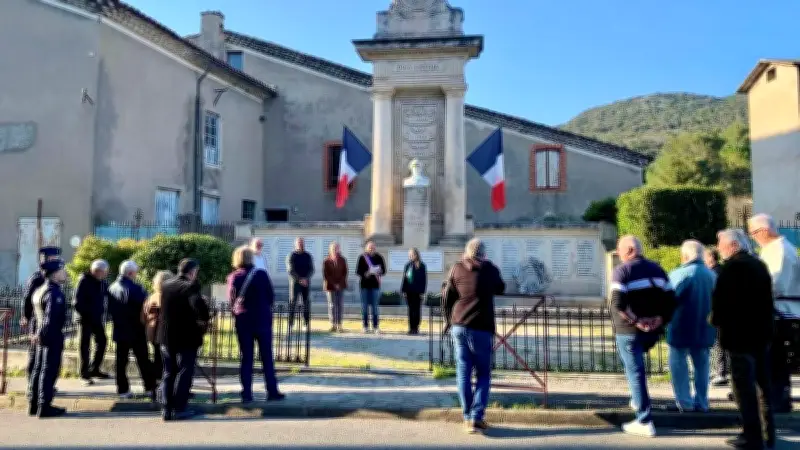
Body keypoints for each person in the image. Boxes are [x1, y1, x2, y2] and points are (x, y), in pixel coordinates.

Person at [712, 228, 776, 450]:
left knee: (744, 388)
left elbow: (721, 303)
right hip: (762, 334)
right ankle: (768, 434)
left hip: (739, 335)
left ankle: (752, 436)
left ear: (734, 245)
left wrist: (716, 320)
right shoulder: (759, 265)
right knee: (762, 387)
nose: (718, 248)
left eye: (721, 243)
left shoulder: (733, 268)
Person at [610, 235, 676, 438]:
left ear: (629, 250)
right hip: (652, 331)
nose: (618, 254)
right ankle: (637, 400)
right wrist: (660, 319)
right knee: (637, 370)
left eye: (619, 250)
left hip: (628, 330)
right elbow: (672, 299)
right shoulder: (657, 270)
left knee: (635, 372)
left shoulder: (623, 271)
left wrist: (636, 320)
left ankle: (644, 419)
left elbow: (618, 303)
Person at [442, 238, 505, 434]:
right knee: (484, 374)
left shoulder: (457, 268)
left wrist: (447, 321)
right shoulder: (490, 269)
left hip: (459, 326)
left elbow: (447, 297)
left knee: (463, 373)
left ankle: (468, 416)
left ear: (466, 253)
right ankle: (476, 417)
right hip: (481, 328)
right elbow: (501, 288)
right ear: (484, 254)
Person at [749, 213, 800, 413]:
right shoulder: (777, 249)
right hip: (781, 312)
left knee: (775, 360)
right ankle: (777, 398)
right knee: (777, 362)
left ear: (764, 231)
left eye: (754, 233)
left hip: (781, 313)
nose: (753, 237)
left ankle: (777, 400)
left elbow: (775, 284)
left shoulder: (779, 251)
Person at [227, 246, 285, 403]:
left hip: (244, 321)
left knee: (246, 358)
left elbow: (232, 300)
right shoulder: (261, 274)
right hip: (262, 319)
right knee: (267, 357)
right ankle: (272, 391)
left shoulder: (233, 277)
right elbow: (271, 296)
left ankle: (246, 393)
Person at [666, 240, 716, 413]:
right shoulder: (712, 275)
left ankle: (684, 402)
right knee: (702, 366)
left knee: (678, 364)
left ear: (685, 255)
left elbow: (669, 299)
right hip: (706, 327)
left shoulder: (680, 274)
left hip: (681, 327)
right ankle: (701, 402)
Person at [157, 259, 207, 421]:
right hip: (186, 336)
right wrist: (204, 317)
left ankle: (166, 407)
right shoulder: (190, 287)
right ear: (192, 272)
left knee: (168, 371)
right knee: (185, 370)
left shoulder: (166, 285)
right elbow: (198, 306)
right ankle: (179, 407)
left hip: (166, 336)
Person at [108, 260, 156, 400]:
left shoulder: (112, 287)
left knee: (121, 362)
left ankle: (122, 389)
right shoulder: (135, 288)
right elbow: (145, 305)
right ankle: (149, 387)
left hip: (119, 329)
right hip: (136, 329)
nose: (136, 274)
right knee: (143, 360)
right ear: (130, 273)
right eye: (135, 272)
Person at [28, 258, 68, 418]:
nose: (64, 273)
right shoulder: (53, 292)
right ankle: (44, 406)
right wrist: (43, 335)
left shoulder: (40, 290)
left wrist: (34, 334)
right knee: (48, 370)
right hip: (50, 336)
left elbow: (34, 316)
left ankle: (34, 404)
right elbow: (50, 318)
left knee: (38, 370)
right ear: (55, 274)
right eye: (62, 271)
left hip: (39, 335)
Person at [21, 246, 62, 386]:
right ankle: (33, 385)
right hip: (37, 319)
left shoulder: (53, 276)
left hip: (47, 320)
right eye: (51, 258)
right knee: (36, 356)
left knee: (46, 359)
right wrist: (25, 316)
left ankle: (43, 385)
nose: (54, 260)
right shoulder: (37, 278)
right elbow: (28, 298)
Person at [73, 259, 110, 386]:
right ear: (97, 271)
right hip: (85, 318)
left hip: (96, 318)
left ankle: (95, 369)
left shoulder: (101, 282)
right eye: (104, 272)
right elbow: (77, 302)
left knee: (102, 341)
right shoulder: (84, 280)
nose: (106, 274)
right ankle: (84, 373)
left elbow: (107, 295)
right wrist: (88, 314)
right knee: (85, 345)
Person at [142, 271, 173, 383]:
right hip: (165, 332)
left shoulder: (151, 297)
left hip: (152, 331)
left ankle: (157, 381)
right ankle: (163, 382)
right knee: (166, 359)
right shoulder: (169, 297)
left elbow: (143, 316)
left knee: (157, 356)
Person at [705, 247, 730, 387]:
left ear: (710, 258)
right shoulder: (720, 271)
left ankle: (720, 373)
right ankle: (718, 371)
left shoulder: (715, 272)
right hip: (719, 311)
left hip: (718, 311)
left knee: (718, 343)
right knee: (717, 343)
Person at [356, 241, 386, 334]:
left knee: (375, 307)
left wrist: (379, 271)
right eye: (369, 247)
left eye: (373, 247)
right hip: (364, 285)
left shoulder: (379, 257)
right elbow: (358, 271)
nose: (371, 249)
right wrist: (366, 273)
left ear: (375, 248)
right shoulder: (362, 257)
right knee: (364, 307)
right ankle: (365, 326)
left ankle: (376, 326)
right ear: (366, 248)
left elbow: (384, 270)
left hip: (375, 286)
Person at [286, 237, 314, 330]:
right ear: (295, 244)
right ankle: (291, 324)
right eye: (299, 243)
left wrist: (306, 279)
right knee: (293, 303)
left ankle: (306, 323)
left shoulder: (308, 255)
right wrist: (300, 280)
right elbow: (290, 270)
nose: (300, 244)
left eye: (302, 243)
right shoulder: (291, 255)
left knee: (306, 303)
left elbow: (311, 269)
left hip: (306, 283)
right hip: (295, 283)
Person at [401, 248, 427, 335]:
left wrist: (423, 292)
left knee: (417, 310)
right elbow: (405, 279)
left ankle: (416, 328)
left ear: (416, 255)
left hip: (418, 292)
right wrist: (403, 290)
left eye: (412, 254)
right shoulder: (408, 265)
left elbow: (424, 280)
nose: (411, 256)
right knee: (410, 310)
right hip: (409, 291)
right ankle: (411, 328)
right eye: (410, 255)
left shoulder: (422, 266)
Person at [322, 241, 348, 332]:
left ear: (339, 249)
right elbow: (326, 275)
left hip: (341, 285)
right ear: (330, 249)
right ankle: (333, 324)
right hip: (330, 285)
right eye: (333, 248)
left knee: (340, 305)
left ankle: (339, 324)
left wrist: (339, 284)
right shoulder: (326, 260)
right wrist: (334, 284)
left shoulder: (343, 260)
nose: (335, 250)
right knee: (331, 305)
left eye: (336, 248)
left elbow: (345, 273)